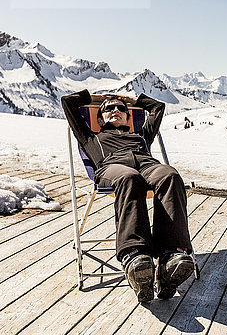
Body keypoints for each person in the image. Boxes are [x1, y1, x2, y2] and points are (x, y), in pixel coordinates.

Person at [61, 89, 194, 303]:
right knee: (129, 178)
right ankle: (135, 256)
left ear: (128, 115)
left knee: (169, 175)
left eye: (121, 109)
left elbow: (158, 108)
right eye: (109, 109)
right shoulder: (90, 138)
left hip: (147, 166)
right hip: (112, 169)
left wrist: (134, 100)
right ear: (99, 117)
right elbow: (68, 102)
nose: (116, 110)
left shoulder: (141, 135)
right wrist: (96, 99)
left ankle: (170, 255)